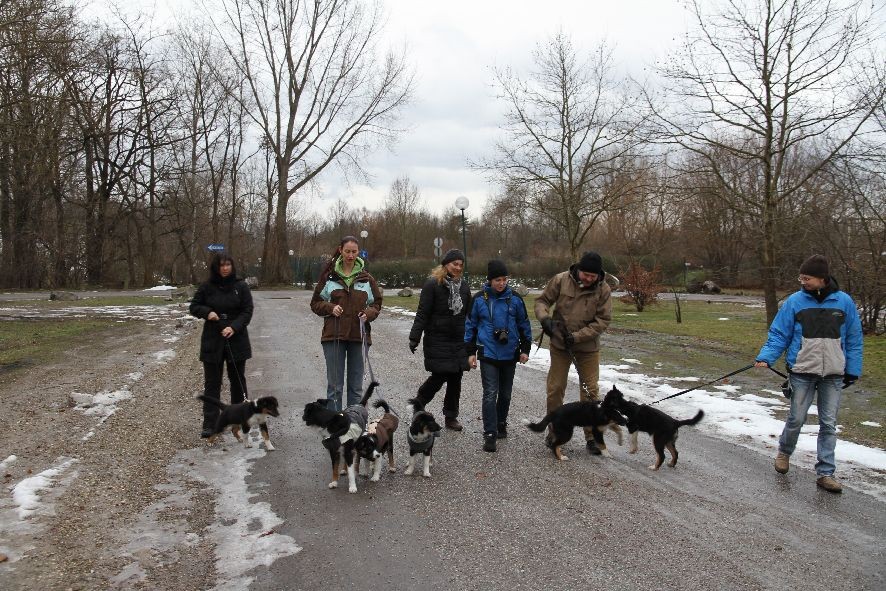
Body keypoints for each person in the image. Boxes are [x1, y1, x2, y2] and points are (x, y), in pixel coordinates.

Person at [754, 254, 863, 494]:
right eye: (801, 277)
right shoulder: (794, 302)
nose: (802, 281)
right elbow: (779, 334)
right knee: (796, 418)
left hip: (833, 373)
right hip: (802, 371)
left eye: (807, 278)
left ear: (822, 278)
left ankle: (826, 473)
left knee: (828, 424)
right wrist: (766, 357)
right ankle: (784, 453)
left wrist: (853, 370)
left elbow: (854, 338)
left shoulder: (843, 302)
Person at [534, 251, 612, 455]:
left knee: (590, 392)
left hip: (587, 348)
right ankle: (555, 432)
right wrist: (545, 320)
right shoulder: (560, 280)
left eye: (592, 276)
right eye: (586, 274)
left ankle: (592, 437)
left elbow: (603, 321)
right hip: (560, 345)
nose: (588, 279)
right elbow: (541, 302)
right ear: (579, 269)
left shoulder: (603, 289)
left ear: (598, 275)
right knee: (556, 388)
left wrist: (578, 337)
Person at [465, 260, 532, 452]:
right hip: (488, 353)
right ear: (490, 280)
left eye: (504, 279)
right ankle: (490, 433)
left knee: (505, 393)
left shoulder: (516, 299)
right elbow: (470, 326)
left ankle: (501, 421)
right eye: (497, 280)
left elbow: (524, 325)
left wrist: (525, 349)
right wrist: (470, 352)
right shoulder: (479, 299)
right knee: (490, 393)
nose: (501, 283)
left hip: (510, 353)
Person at [311, 236, 383, 411]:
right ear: (340, 251)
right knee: (334, 387)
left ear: (358, 253)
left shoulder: (366, 279)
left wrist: (368, 313)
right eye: (347, 251)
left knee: (355, 388)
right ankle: (335, 428)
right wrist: (330, 307)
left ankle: (353, 426)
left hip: (359, 337)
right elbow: (315, 303)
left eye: (354, 252)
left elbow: (377, 304)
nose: (350, 255)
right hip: (333, 336)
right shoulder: (329, 278)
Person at [189, 253, 254, 438]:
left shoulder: (241, 286)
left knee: (238, 382)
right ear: (216, 268)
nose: (225, 268)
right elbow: (194, 306)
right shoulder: (207, 287)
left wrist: (234, 327)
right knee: (212, 383)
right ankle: (210, 423)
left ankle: (239, 419)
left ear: (232, 266)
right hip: (213, 338)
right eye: (221, 265)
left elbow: (247, 310)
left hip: (236, 338)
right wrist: (207, 312)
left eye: (228, 265)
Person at [409, 249, 472, 431]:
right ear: (446, 265)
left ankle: (451, 416)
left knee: (456, 378)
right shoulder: (432, 285)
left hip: (459, 339)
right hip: (438, 339)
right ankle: (419, 401)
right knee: (440, 375)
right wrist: (415, 337)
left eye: (461, 265)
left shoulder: (464, 287)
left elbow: (469, 315)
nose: (458, 268)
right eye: (455, 264)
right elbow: (423, 313)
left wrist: (472, 342)